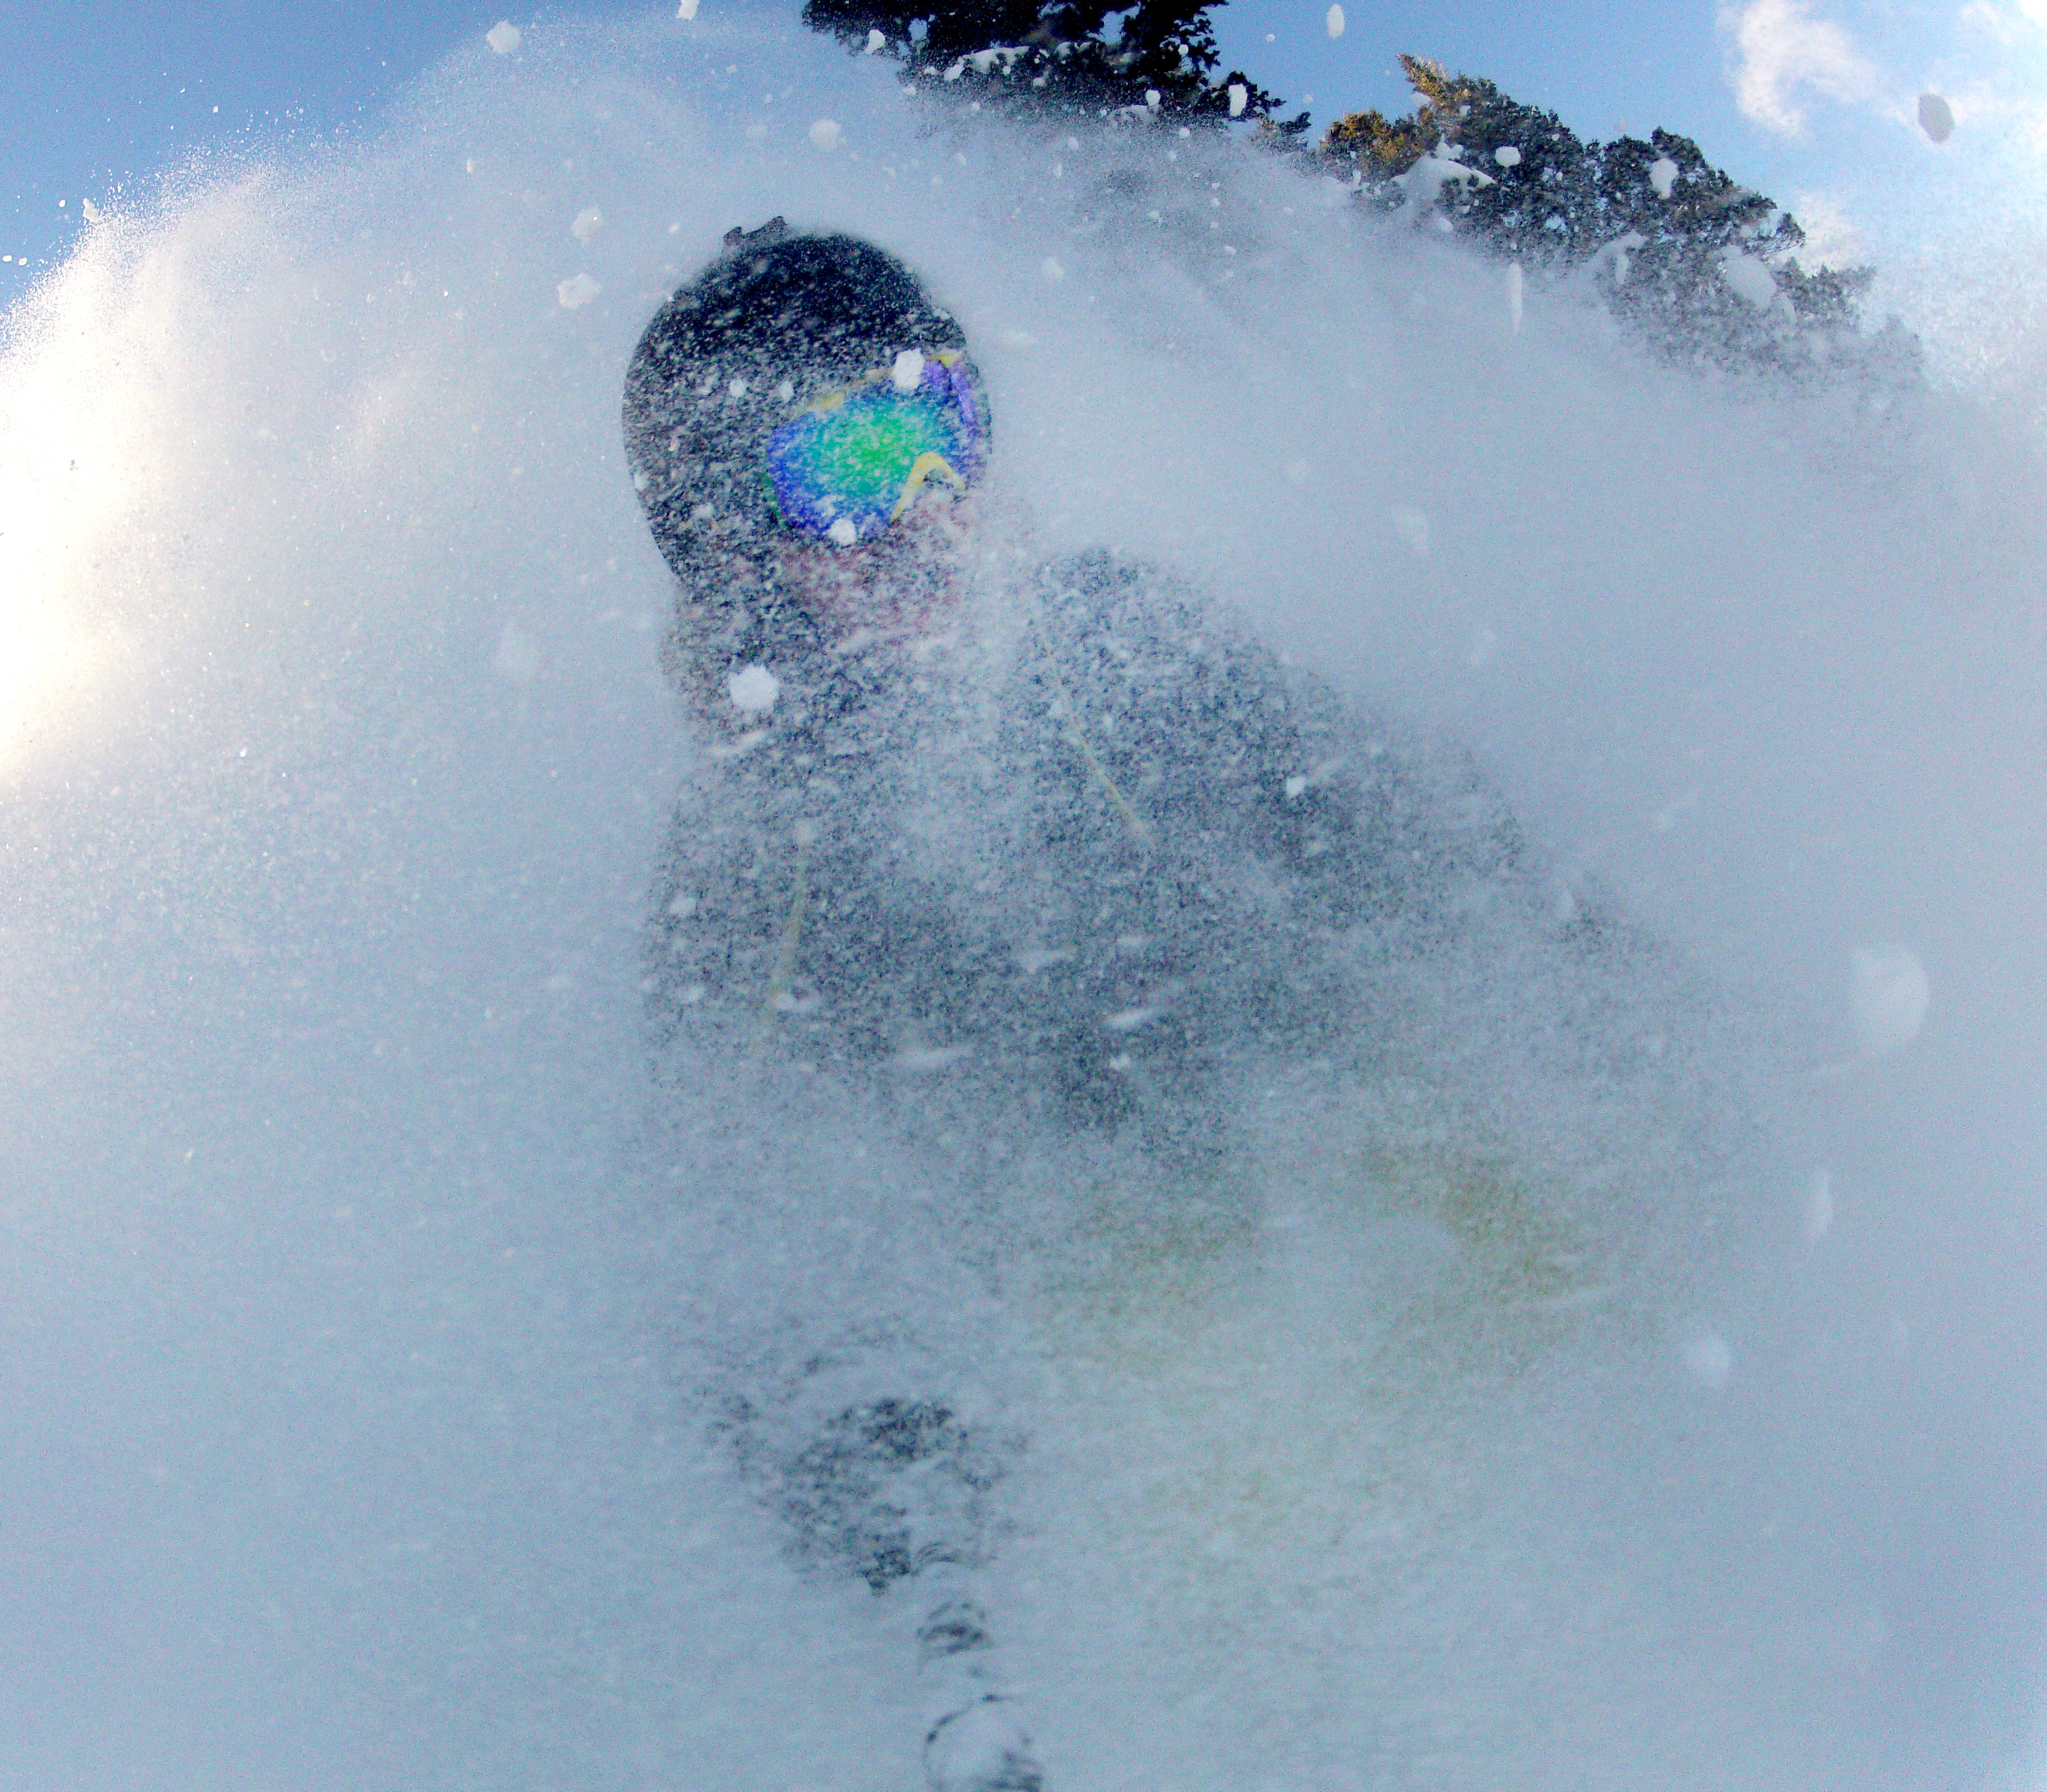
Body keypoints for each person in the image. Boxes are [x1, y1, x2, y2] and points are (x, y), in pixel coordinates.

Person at [621, 222, 1565, 1792]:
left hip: (1390, 1187)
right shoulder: (750, 870)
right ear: (733, 540)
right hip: (1157, 1363)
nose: (924, 511)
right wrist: (911, 1543)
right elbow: (751, 1244)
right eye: (848, 468)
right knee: (1247, 1479)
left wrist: (1642, 1018)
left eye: (941, 429)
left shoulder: (1119, 637)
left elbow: (1420, 841)